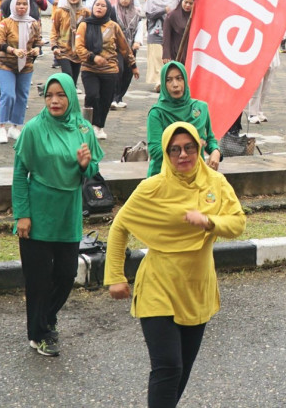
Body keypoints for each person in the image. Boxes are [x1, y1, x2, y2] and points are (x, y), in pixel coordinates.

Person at [105, 122, 244, 407]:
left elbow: (238, 222)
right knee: (168, 366)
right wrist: (115, 276)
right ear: (166, 154)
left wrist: (208, 221)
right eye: (175, 149)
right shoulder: (152, 187)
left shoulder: (216, 183)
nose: (183, 155)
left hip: (197, 289)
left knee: (181, 371)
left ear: (199, 148)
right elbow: (120, 226)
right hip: (158, 286)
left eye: (189, 148)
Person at [12, 73, 101, 357]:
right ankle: (39, 333)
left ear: (71, 97)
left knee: (66, 274)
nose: (54, 100)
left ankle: (46, 317)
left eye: (60, 95)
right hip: (38, 213)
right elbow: (19, 174)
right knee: (37, 280)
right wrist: (22, 214)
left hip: (68, 212)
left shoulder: (83, 128)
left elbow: (92, 170)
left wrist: (85, 165)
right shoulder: (33, 130)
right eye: (49, 95)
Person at [75, 0, 136, 140]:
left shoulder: (113, 26)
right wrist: (93, 57)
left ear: (108, 9)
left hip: (110, 70)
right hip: (89, 69)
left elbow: (124, 48)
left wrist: (133, 65)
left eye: (103, 5)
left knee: (105, 100)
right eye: (97, 5)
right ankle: (87, 125)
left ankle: (99, 127)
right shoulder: (84, 25)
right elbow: (79, 47)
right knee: (92, 96)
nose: (99, 7)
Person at [146, 62, 221, 176]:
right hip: (164, 176)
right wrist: (192, 146)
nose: (175, 84)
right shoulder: (157, 113)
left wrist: (216, 151)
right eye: (169, 80)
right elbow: (155, 150)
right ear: (163, 85)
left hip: (195, 175)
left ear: (185, 81)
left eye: (179, 78)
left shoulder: (201, 108)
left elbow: (210, 139)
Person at [0, 0, 43, 144]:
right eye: (18, 4)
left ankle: (15, 127)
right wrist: (13, 51)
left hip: (26, 66)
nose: (21, 7)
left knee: (22, 96)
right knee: (8, 95)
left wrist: (37, 50)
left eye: (24, 4)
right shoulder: (6, 23)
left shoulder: (33, 23)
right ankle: (2, 127)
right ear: (13, 5)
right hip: (6, 64)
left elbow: (38, 42)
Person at [144, 0, 179, 91]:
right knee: (157, 58)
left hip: (170, 34)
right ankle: (160, 82)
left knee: (168, 59)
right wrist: (164, 11)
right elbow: (148, 15)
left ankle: (166, 81)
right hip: (155, 32)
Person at [161, 0, 195, 66]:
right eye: (186, 2)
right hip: (176, 53)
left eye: (191, 3)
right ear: (181, 1)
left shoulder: (196, 17)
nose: (188, 5)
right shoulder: (172, 16)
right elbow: (166, 37)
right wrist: (166, 54)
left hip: (191, 55)